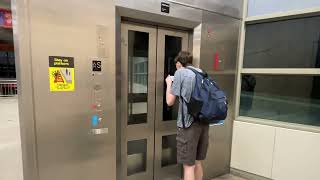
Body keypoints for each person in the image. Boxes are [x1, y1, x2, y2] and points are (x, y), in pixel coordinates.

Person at [165, 51, 209, 180]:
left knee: (188, 166)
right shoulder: (201, 72)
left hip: (188, 126)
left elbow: (170, 101)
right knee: (198, 162)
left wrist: (169, 84)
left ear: (179, 63)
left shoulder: (180, 73)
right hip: (203, 123)